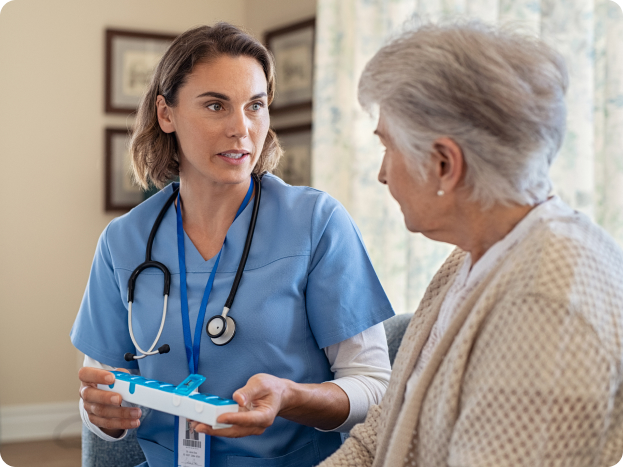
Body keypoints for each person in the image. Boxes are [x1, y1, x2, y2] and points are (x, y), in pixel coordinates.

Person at [71, 23, 395, 467]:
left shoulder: (316, 223)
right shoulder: (124, 241)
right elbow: (104, 390)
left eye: (255, 106)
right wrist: (104, 414)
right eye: (215, 105)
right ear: (167, 114)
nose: (241, 128)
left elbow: (374, 387)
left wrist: (290, 396)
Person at [319, 21, 623, 467]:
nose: (383, 174)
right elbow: (381, 436)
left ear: (444, 164)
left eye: (388, 147)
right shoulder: (470, 256)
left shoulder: (547, 301)